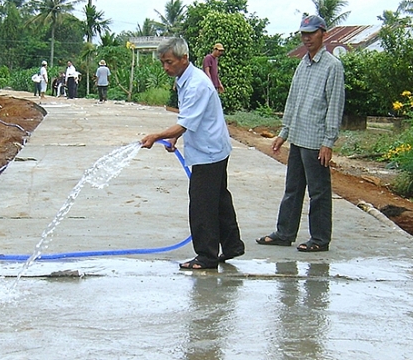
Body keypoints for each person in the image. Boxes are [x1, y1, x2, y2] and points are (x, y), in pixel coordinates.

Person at [140, 37, 245, 270]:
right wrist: (174, 136)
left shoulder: (197, 84)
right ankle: (232, 245)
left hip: (209, 151)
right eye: (163, 63)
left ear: (184, 58)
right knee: (218, 199)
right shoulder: (185, 79)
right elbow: (187, 118)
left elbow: (185, 122)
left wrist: (157, 136)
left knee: (202, 204)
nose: (166, 67)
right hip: (213, 146)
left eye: (169, 62)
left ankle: (206, 256)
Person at [256, 15, 345, 252]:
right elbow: (293, 100)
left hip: (316, 141)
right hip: (297, 137)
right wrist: (283, 133)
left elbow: (335, 105)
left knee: (318, 193)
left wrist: (328, 142)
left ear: (323, 34)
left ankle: (319, 239)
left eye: (311, 34)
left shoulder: (332, 67)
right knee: (293, 189)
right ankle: (284, 233)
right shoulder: (303, 64)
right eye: (304, 34)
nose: (307, 38)